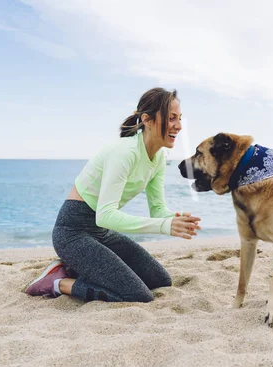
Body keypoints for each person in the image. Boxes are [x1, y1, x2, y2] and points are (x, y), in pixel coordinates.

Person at [24, 87, 201, 303]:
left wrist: (173, 219)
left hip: (100, 233)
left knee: (159, 280)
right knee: (137, 295)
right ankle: (56, 282)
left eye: (180, 118)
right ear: (147, 119)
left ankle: (74, 267)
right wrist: (164, 226)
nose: (179, 126)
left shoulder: (159, 157)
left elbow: (157, 209)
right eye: (172, 118)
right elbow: (105, 215)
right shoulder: (125, 153)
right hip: (72, 232)